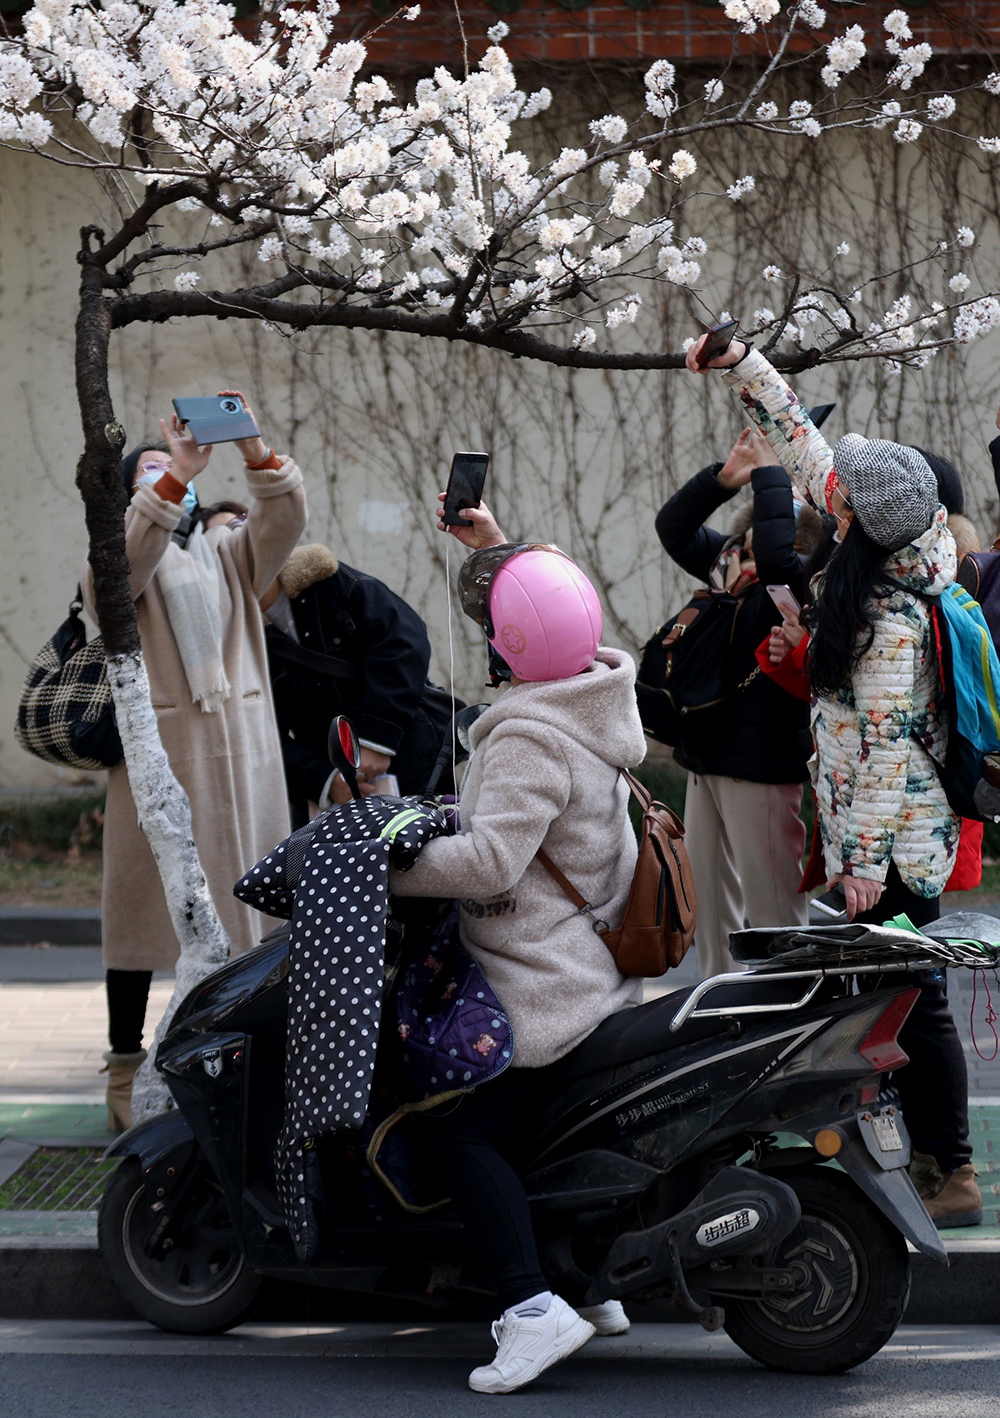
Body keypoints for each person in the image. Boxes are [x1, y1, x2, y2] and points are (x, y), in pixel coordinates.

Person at [687, 331, 982, 1228]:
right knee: (882, 995)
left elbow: (886, 754)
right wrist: (737, 360)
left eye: (839, 489)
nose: (828, 483)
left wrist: (858, 867)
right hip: (873, 825)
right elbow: (798, 438)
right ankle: (917, 1155)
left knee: (914, 999)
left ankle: (952, 1169)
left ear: (853, 516)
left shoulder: (894, 618)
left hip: (897, 841)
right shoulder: (876, 533)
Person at [390, 499, 648, 1393]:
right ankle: (591, 1284)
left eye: (497, 629)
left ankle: (532, 1309)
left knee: (460, 1129)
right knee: (534, 1133)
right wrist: (496, 552)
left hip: (539, 982)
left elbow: (490, 860)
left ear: (508, 647)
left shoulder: (533, 735)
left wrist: (386, 866)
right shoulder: (592, 698)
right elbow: (538, 615)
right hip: (594, 962)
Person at [86, 404, 306, 1130]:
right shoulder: (116, 560)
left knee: (248, 921)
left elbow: (284, 525)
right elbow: (123, 570)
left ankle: (241, 1060)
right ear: (129, 496)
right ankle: (125, 1069)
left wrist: (252, 449)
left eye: (171, 468)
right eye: (147, 472)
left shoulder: (228, 550)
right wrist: (176, 474)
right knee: (141, 921)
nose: (166, 476)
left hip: (242, 767)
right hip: (163, 765)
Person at [652, 425, 819, 975]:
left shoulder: (802, 576)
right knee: (712, 905)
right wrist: (726, 478)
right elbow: (673, 528)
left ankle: (785, 1008)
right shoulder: (731, 562)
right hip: (705, 756)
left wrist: (773, 474)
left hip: (761, 765)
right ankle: (722, 1008)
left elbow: (776, 557)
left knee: (773, 906)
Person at [256, 542, 449, 819]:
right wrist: (324, 779)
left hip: (413, 759)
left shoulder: (328, 581)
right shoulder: (240, 641)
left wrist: (376, 741)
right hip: (336, 796)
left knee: (437, 853)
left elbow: (404, 643)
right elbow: (259, 736)